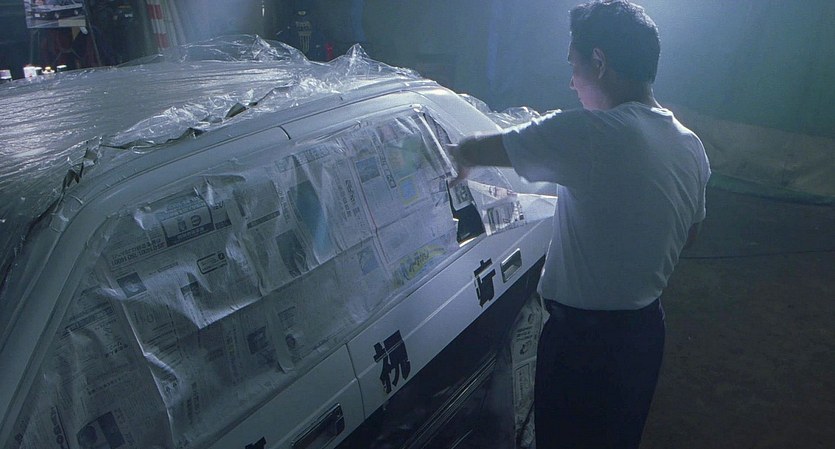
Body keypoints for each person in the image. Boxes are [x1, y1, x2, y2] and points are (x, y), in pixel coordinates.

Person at [449, 1, 711, 448]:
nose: (571, 82)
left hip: (583, 345)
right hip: (645, 334)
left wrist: (452, 154)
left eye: (574, 65)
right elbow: (689, 233)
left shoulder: (588, 133)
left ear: (599, 62)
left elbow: (477, 149)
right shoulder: (689, 145)